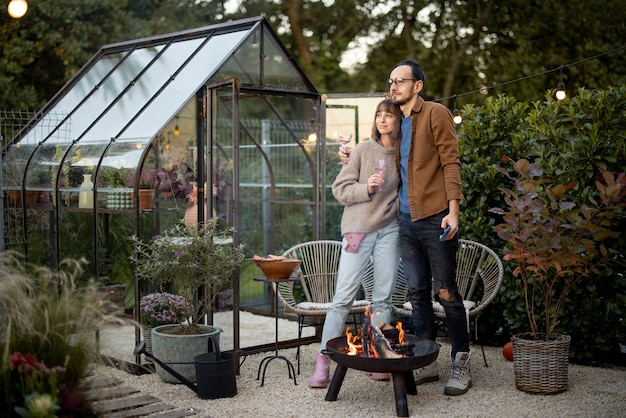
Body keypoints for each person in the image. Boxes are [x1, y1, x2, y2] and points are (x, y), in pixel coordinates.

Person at [389, 59, 470, 396]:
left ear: (417, 85)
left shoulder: (436, 113)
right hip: (405, 221)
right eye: (390, 81)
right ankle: (426, 362)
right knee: (417, 293)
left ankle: (460, 364)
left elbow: (451, 162)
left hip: (436, 217)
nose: (393, 86)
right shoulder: (393, 122)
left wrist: (453, 212)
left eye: (400, 80)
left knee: (446, 292)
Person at [308, 99, 402, 388]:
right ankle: (323, 360)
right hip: (358, 230)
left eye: (388, 115)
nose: (382, 120)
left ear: (399, 120)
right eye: (379, 115)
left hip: (390, 229)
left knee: (384, 298)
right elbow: (340, 189)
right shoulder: (362, 149)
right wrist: (366, 188)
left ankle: (378, 357)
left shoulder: (403, 152)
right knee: (342, 299)